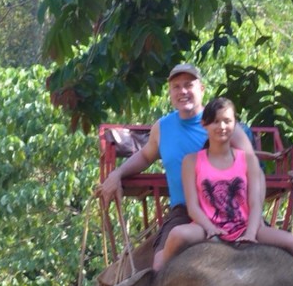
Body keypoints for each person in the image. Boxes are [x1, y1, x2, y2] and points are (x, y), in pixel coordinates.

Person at [97, 63, 257, 269]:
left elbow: (252, 170)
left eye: (189, 85)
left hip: (231, 208)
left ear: (201, 89)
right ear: (170, 92)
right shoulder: (162, 127)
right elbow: (145, 156)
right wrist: (117, 174)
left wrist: (254, 217)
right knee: (159, 266)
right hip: (185, 212)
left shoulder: (224, 126)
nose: (183, 91)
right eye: (176, 86)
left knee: (280, 252)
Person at [156, 97, 293, 269]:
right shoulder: (191, 161)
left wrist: (251, 233)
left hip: (244, 225)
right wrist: (210, 229)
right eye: (216, 122)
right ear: (204, 124)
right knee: (176, 235)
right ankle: (157, 285)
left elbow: (255, 203)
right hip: (207, 227)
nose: (222, 127)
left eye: (227, 121)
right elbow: (193, 207)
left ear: (235, 124)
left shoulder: (248, 160)